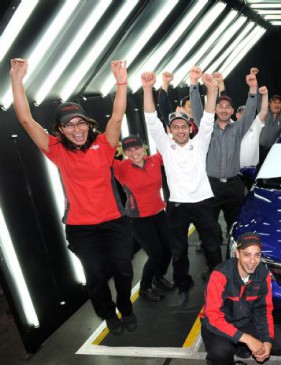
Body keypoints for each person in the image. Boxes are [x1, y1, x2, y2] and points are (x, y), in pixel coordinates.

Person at [10, 58, 136, 335]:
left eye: (81, 123)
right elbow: (25, 120)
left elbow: (116, 117)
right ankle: (108, 314)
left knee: (124, 270)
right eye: (69, 125)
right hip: (82, 229)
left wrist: (121, 82)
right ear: (61, 130)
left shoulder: (104, 144)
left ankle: (125, 307)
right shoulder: (56, 150)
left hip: (116, 222)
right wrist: (17, 80)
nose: (77, 129)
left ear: (89, 125)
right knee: (96, 276)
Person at [142, 70, 222, 306]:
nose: (179, 130)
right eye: (175, 127)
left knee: (212, 247)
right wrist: (148, 88)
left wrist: (211, 87)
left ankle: (218, 286)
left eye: (183, 127)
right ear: (170, 130)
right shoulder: (166, 147)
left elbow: (208, 115)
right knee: (179, 252)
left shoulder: (199, 144)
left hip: (203, 202)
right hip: (177, 206)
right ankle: (183, 286)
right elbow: (150, 118)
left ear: (189, 128)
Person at [201, 232, 281, 365]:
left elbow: (263, 310)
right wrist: (248, 339)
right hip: (220, 324)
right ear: (237, 253)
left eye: (257, 255)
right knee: (219, 352)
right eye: (247, 254)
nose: (252, 261)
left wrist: (266, 341)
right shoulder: (220, 275)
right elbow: (213, 317)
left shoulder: (263, 274)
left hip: (245, 320)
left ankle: (240, 346)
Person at [203, 72, 261, 279]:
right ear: (215, 109)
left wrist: (252, 90)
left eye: (228, 107)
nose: (224, 109)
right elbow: (199, 107)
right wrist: (195, 85)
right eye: (220, 106)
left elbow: (251, 111)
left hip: (234, 186)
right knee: (209, 233)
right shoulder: (206, 129)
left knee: (237, 229)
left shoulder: (238, 129)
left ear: (231, 111)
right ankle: (214, 271)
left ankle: (234, 270)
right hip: (210, 187)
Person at [113, 135, 174, 302]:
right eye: (129, 150)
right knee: (156, 254)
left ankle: (158, 277)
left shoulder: (154, 160)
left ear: (144, 148)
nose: (134, 153)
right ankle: (145, 288)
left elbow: (169, 145)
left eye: (137, 148)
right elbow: (103, 156)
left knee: (167, 251)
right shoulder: (121, 168)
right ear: (124, 152)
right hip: (137, 218)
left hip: (159, 213)